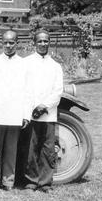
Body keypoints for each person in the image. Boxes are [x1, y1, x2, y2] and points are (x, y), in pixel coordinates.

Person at [0, 30, 31, 190]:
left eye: (12, 42)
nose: (9, 46)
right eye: (6, 42)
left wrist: (25, 115)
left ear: (17, 43)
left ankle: (8, 181)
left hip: (15, 114)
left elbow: (27, 91)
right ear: (1, 43)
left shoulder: (24, 64)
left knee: (11, 150)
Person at [23, 30, 63, 192]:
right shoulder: (26, 63)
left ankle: (45, 182)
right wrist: (32, 107)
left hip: (48, 113)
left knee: (47, 149)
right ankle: (31, 181)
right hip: (30, 114)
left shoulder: (55, 66)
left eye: (46, 41)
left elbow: (58, 90)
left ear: (49, 43)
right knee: (30, 149)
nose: (43, 44)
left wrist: (43, 106)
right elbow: (24, 88)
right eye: (40, 41)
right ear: (34, 43)